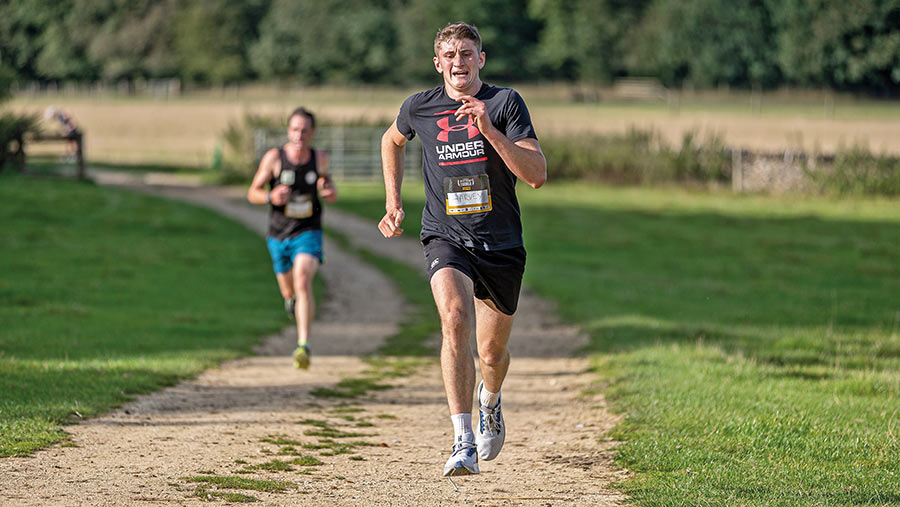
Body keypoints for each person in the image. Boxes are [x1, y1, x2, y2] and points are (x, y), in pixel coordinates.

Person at [378, 22, 546, 476]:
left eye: (467, 54)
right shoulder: (419, 107)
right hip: (445, 235)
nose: (458, 62)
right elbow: (390, 140)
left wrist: (489, 129)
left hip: (502, 242)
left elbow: (536, 174)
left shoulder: (506, 103)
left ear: (481, 59)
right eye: (450, 55)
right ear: (438, 64)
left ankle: (489, 399)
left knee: (491, 354)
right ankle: (462, 439)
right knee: (453, 318)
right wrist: (394, 203)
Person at [248, 107, 338, 369]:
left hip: (308, 231)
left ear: (313, 133)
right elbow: (252, 192)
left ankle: (303, 345)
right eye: (295, 129)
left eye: (305, 130)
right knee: (290, 289)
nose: (300, 135)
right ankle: (291, 301)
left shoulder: (319, 158)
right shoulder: (274, 158)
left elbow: (329, 189)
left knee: (302, 280)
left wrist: (328, 189)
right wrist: (270, 197)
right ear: (288, 131)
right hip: (278, 234)